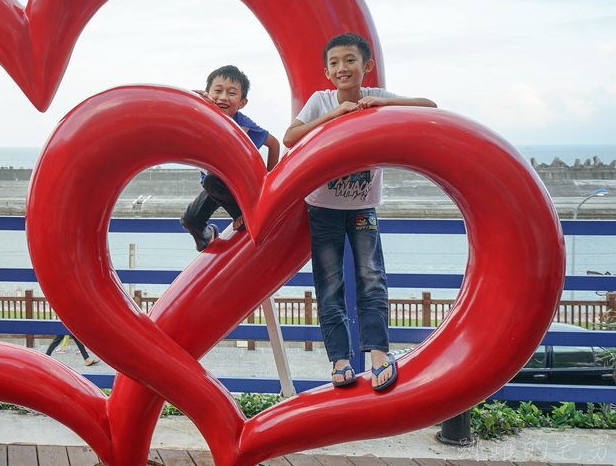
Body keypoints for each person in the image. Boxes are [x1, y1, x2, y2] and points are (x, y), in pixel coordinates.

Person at [283, 33, 436, 391]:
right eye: (334, 63)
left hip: (363, 207)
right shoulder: (321, 101)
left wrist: (383, 107)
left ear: (366, 66)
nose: (342, 68)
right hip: (323, 208)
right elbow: (291, 136)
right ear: (326, 71)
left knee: (371, 278)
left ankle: (379, 353)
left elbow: (430, 107)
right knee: (330, 284)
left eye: (350, 60)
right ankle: (339, 361)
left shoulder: (379, 98)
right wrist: (335, 114)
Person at [181, 65, 280, 251]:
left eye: (231, 93)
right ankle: (208, 235)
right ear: (207, 94)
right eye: (217, 91)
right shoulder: (201, 115)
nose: (223, 97)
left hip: (239, 185)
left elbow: (273, 144)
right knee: (190, 220)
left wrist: (270, 180)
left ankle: (240, 215)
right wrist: (194, 99)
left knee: (211, 180)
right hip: (216, 186)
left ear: (242, 102)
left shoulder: (243, 124)